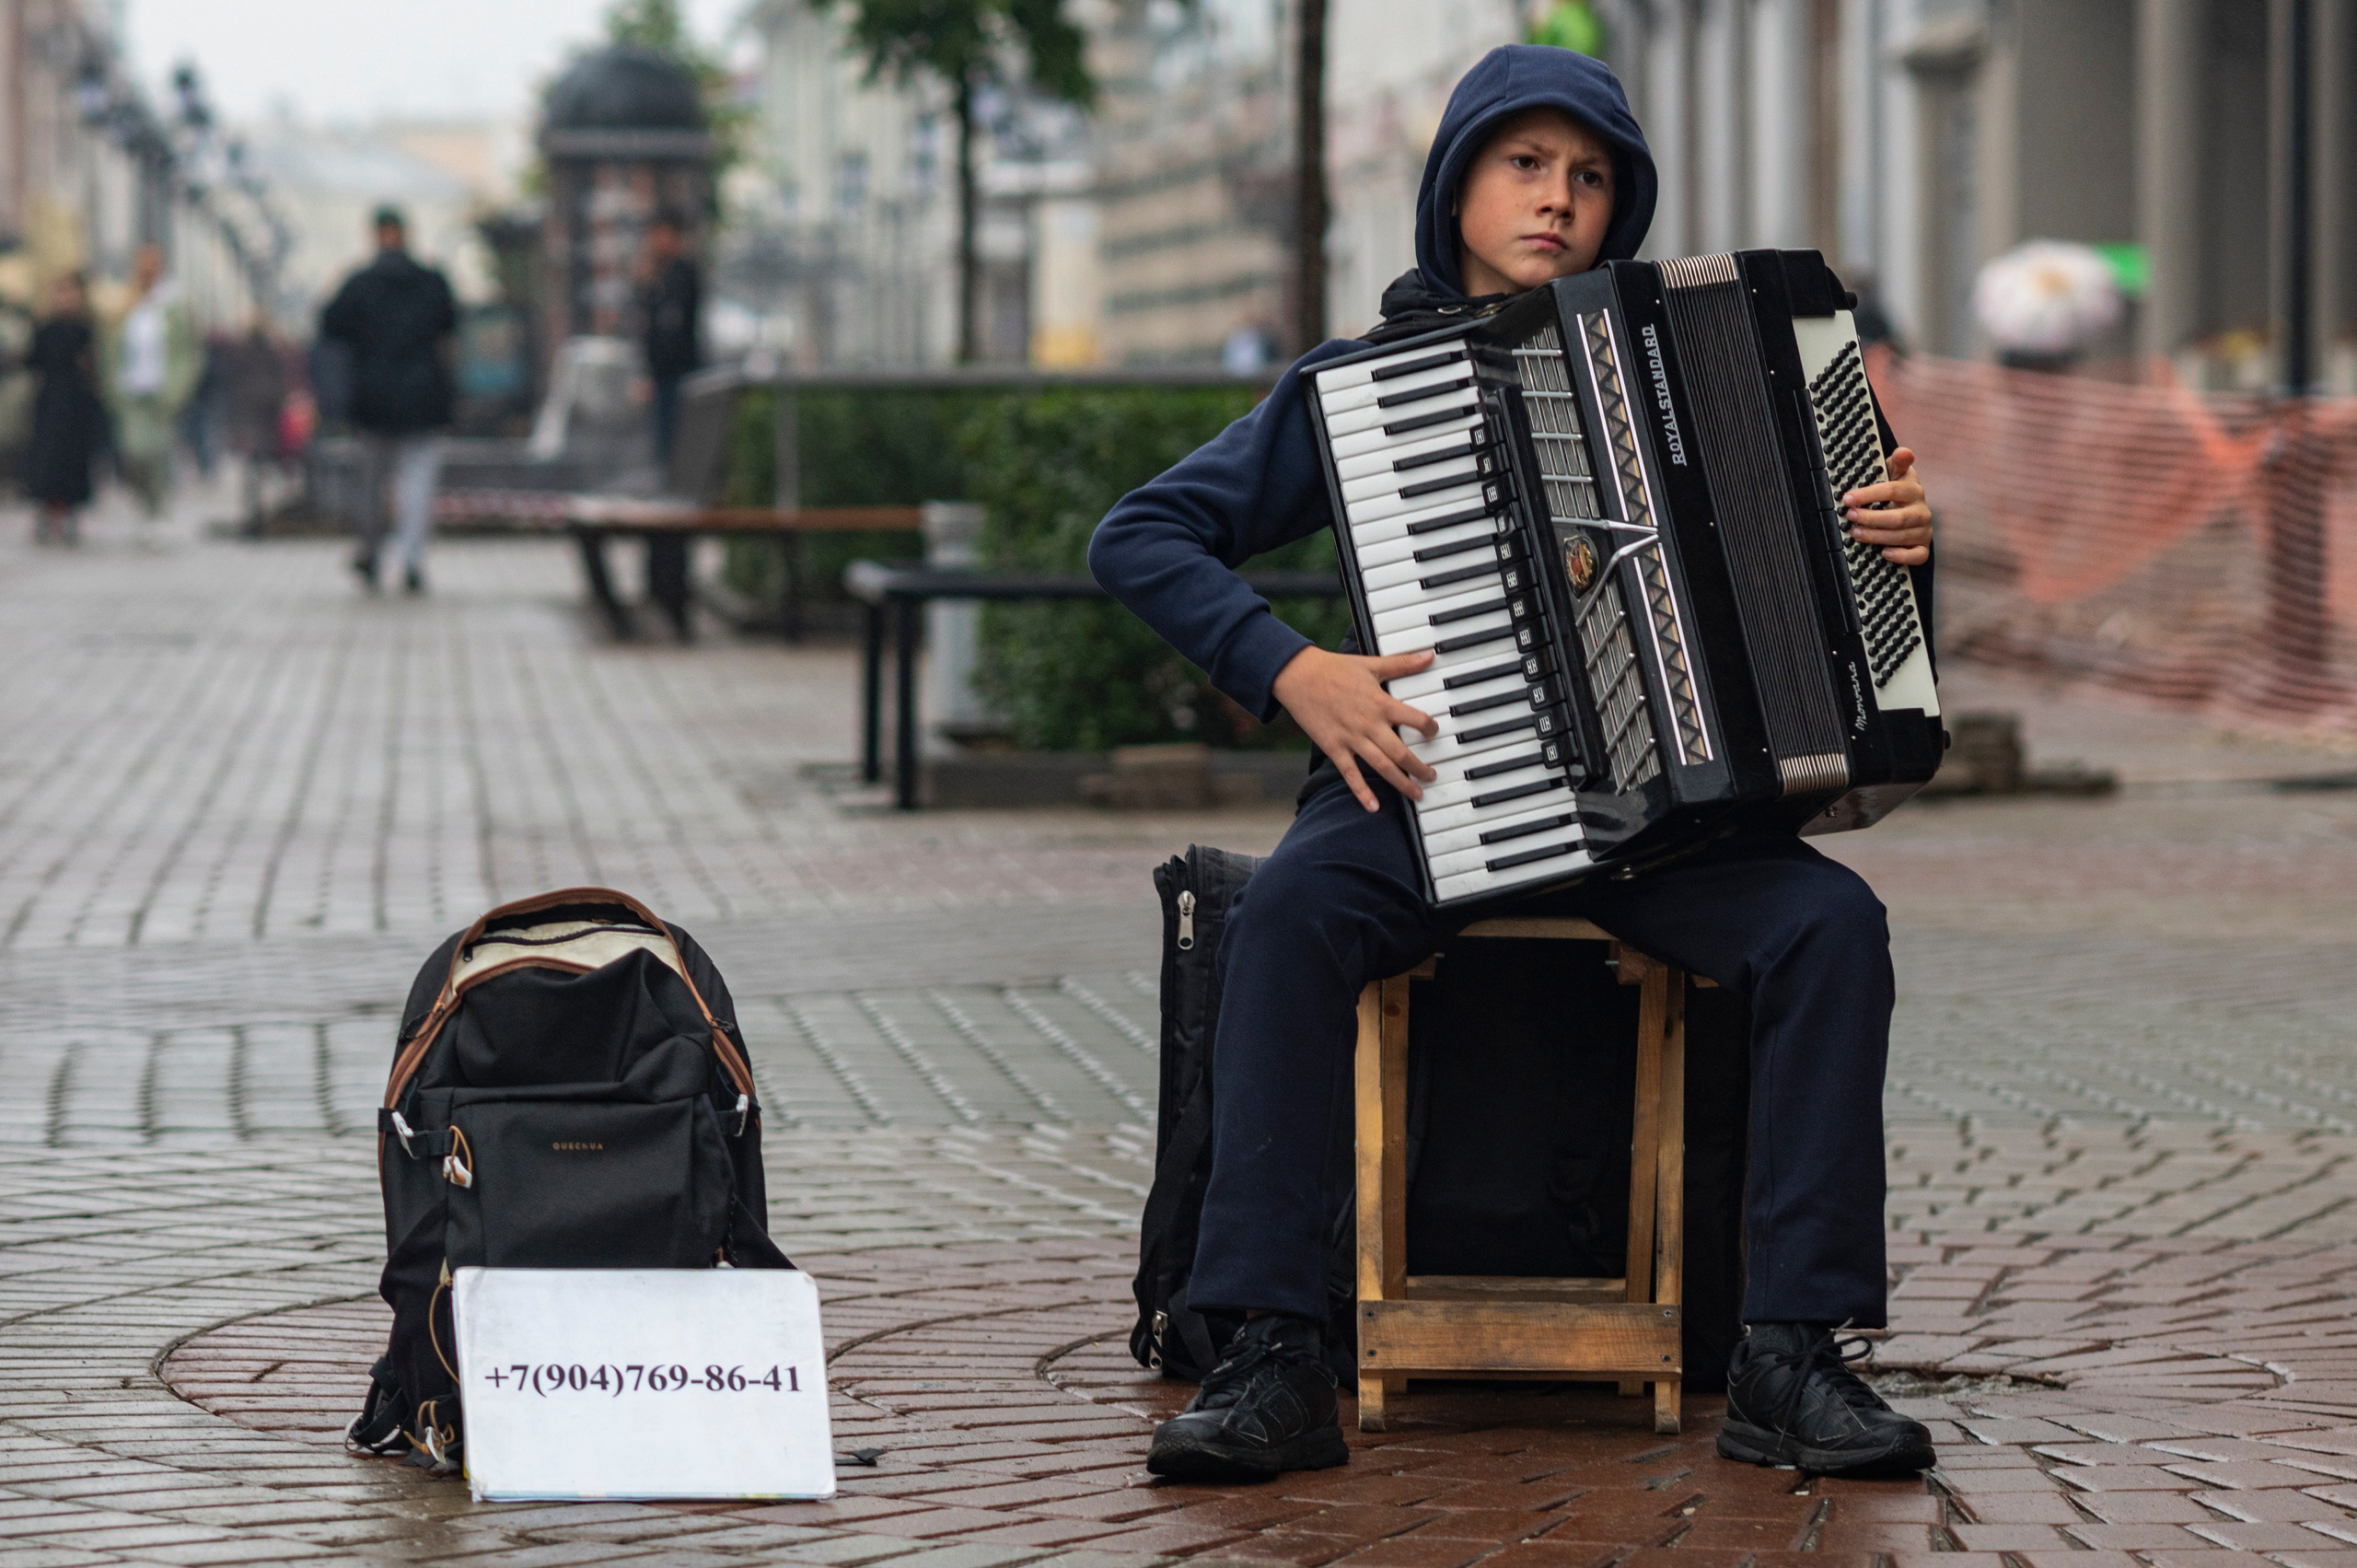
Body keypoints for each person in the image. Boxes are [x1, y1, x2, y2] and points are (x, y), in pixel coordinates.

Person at [1088, 46, 1941, 1484]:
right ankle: (1273, 1351)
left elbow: (1836, 629)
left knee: (1831, 924)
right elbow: (1142, 535)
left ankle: (1793, 1351)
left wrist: (1907, 552)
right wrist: (1294, 670)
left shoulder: (1707, 360)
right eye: (1525, 164)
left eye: (1592, 175)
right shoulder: (1358, 386)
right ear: (1456, 185)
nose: (1559, 199)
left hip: (1658, 831)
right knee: (1290, 915)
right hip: (1427, 795)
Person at [320, 205, 457, 594]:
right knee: (418, 482)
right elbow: (451, 328)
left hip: (373, 399)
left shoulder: (359, 283)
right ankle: (412, 558)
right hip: (424, 397)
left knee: (371, 482)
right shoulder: (432, 281)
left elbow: (330, 328)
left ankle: (372, 551)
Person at [104, 243, 201, 537]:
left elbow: (189, 350)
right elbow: (110, 347)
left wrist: (180, 386)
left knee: (158, 451)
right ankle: (144, 500)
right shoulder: (124, 302)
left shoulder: (175, 303)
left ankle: (157, 509)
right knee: (133, 450)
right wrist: (111, 382)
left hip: (162, 389)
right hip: (130, 387)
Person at [637, 209, 702, 621]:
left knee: (676, 473)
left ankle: (672, 579)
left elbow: (673, 331)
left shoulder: (682, 276)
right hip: (662, 382)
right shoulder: (655, 277)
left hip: (677, 381)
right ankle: (660, 579)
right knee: (663, 474)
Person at [23, 271, 107, 545]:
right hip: (50, 401)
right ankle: (47, 512)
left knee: (73, 460)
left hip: (77, 403)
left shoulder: (87, 328)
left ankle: (70, 512)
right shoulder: (45, 327)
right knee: (47, 460)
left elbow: (97, 367)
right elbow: (33, 360)